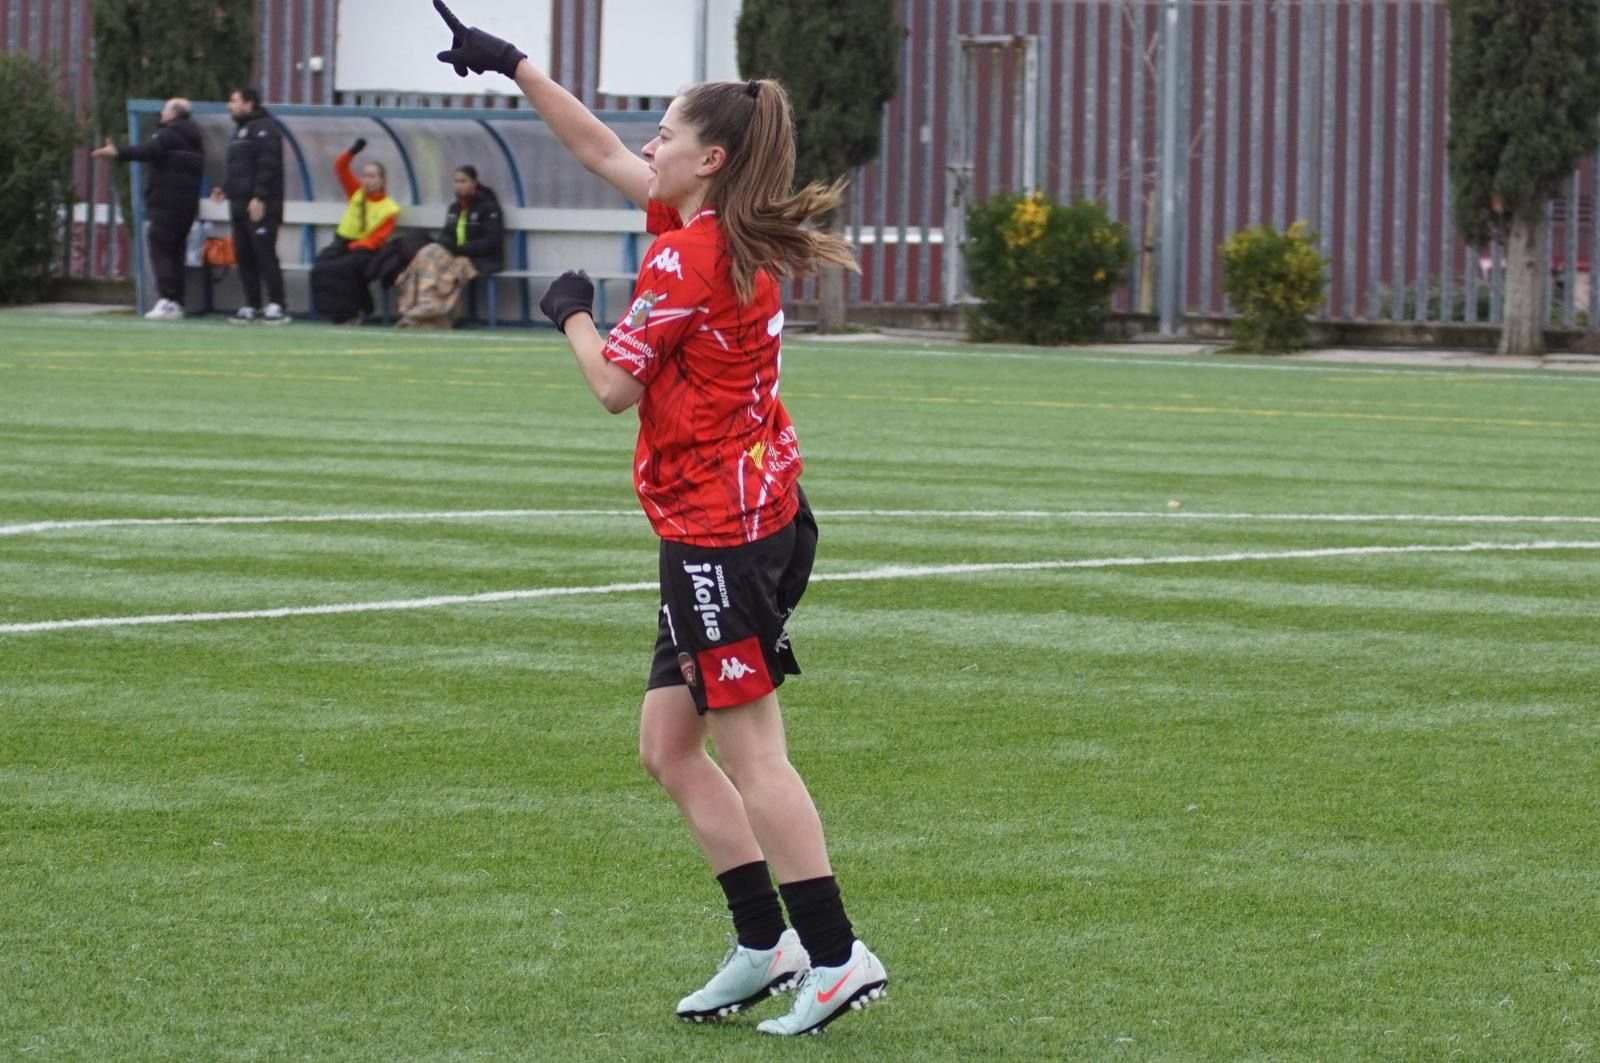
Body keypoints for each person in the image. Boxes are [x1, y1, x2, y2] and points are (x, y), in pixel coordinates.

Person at [434, 0, 887, 1038]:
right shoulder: (719, 229)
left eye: (667, 134)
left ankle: (835, 955)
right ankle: (766, 942)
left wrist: (569, 312)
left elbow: (613, 387)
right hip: (746, 516)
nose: (647, 146)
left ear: (710, 160)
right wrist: (513, 64)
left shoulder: (688, 257)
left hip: (723, 536)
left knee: (752, 752)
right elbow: (598, 148)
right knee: (667, 747)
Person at [92, 97, 205, 321]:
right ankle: (176, 302)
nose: (161, 113)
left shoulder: (168, 135)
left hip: (165, 203)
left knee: (160, 248)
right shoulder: (196, 139)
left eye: (165, 109)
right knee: (176, 252)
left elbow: (148, 151)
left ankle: (167, 299)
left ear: (174, 114)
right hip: (187, 206)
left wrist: (118, 152)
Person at [211, 87, 288, 324]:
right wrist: (225, 187)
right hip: (238, 205)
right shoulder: (239, 131)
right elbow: (240, 169)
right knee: (244, 255)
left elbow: (268, 165)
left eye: (234, 100)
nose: (229, 105)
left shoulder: (265, 127)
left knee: (264, 254)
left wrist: (259, 197)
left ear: (249, 103)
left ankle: (277, 304)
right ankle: (252, 304)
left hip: (260, 205)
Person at [393, 165, 505, 328]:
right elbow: (447, 234)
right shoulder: (454, 208)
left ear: (474, 183)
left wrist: (459, 248)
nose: (458, 185)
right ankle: (417, 308)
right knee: (427, 253)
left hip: (479, 260)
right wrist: (446, 244)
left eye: (463, 181)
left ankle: (428, 312)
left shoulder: (488, 208)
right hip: (454, 255)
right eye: (456, 181)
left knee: (440, 266)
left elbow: (492, 242)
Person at [310, 139, 400, 325]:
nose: (367, 180)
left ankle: (354, 313)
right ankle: (334, 313)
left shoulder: (390, 208)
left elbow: (377, 239)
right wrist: (352, 151)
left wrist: (355, 246)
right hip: (341, 243)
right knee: (320, 266)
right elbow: (340, 167)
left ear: (382, 180)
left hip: (365, 250)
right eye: (365, 176)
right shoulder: (356, 192)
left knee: (344, 268)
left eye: (373, 177)